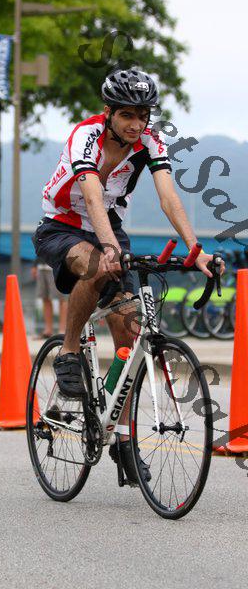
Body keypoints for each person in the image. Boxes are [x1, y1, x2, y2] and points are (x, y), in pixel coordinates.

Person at [32, 68, 225, 484]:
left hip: (110, 226)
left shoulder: (150, 141)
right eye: (127, 115)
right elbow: (91, 196)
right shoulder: (85, 135)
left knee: (130, 332)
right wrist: (107, 249)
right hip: (62, 225)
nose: (136, 124)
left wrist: (196, 251)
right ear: (108, 112)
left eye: (143, 115)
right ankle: (69, 350)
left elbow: (168, 196)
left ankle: (122, 438)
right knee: (94, 265)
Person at [31, 257, 68, 338]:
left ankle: (62, 330)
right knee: (45, 298)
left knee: (62, 299)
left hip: (56, 266)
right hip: (41, 267)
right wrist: (35, 264)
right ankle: (48, 330)